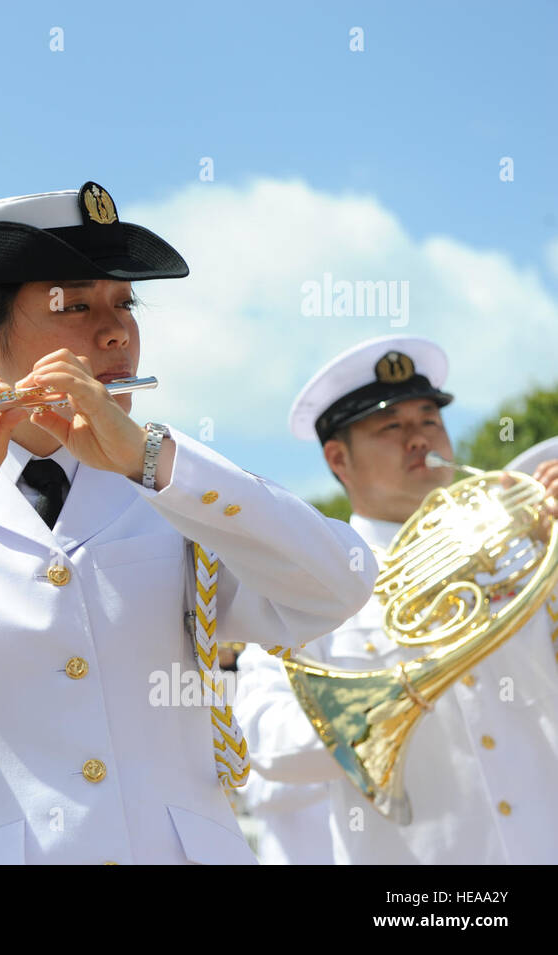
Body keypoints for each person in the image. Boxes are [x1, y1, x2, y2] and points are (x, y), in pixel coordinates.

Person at [0, 180, 375, 864]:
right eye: (76, 304)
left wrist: (154, 460)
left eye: (125, 303)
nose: (116, 329)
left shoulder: (175, 487)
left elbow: (340, 587)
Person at [234, 335, 558, 863]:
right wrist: (393, 695)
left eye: (430, 420)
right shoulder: (303, 578)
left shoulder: (528, 546)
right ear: (339, 458)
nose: (418, 438)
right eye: (392, 426)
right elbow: (265, 744)